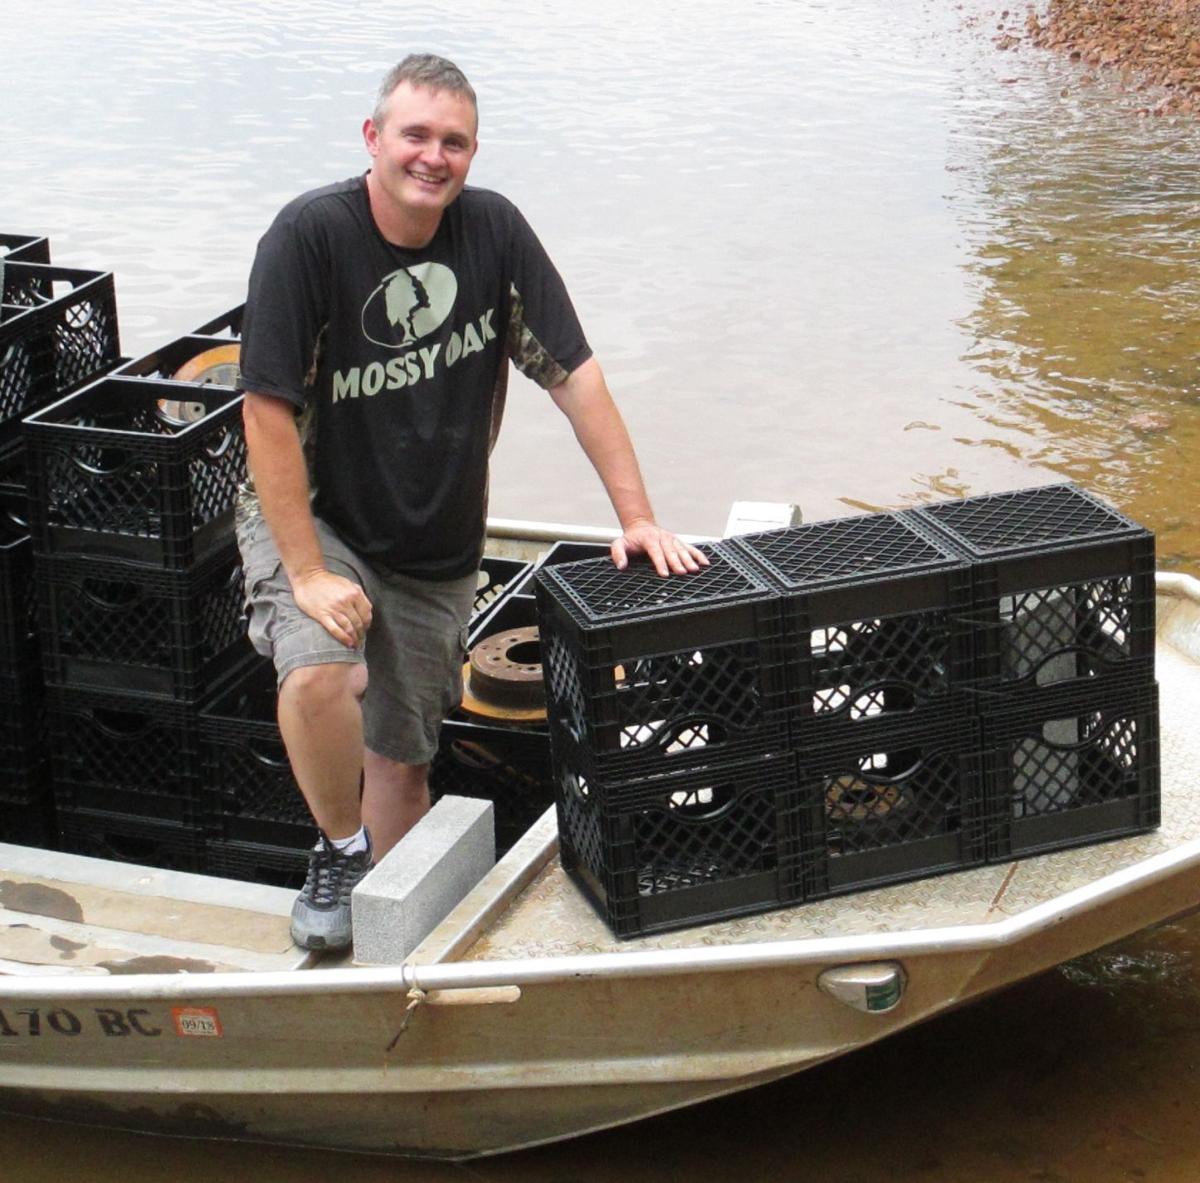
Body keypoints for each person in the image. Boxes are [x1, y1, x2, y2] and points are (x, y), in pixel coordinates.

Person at [235, 52, 708, 952]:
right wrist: (302, 569)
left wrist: (637, 516)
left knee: (403, 762)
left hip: (433, 538)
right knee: (322, 667)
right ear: (372, 139)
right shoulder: (307, 238)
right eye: (414, 135)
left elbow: (575, 374)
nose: (432, 157)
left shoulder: (492, 234)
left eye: (453, 142)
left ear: (473, 153)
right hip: (314, 512)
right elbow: (264, 411)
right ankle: (336, 852)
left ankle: (386, 939)